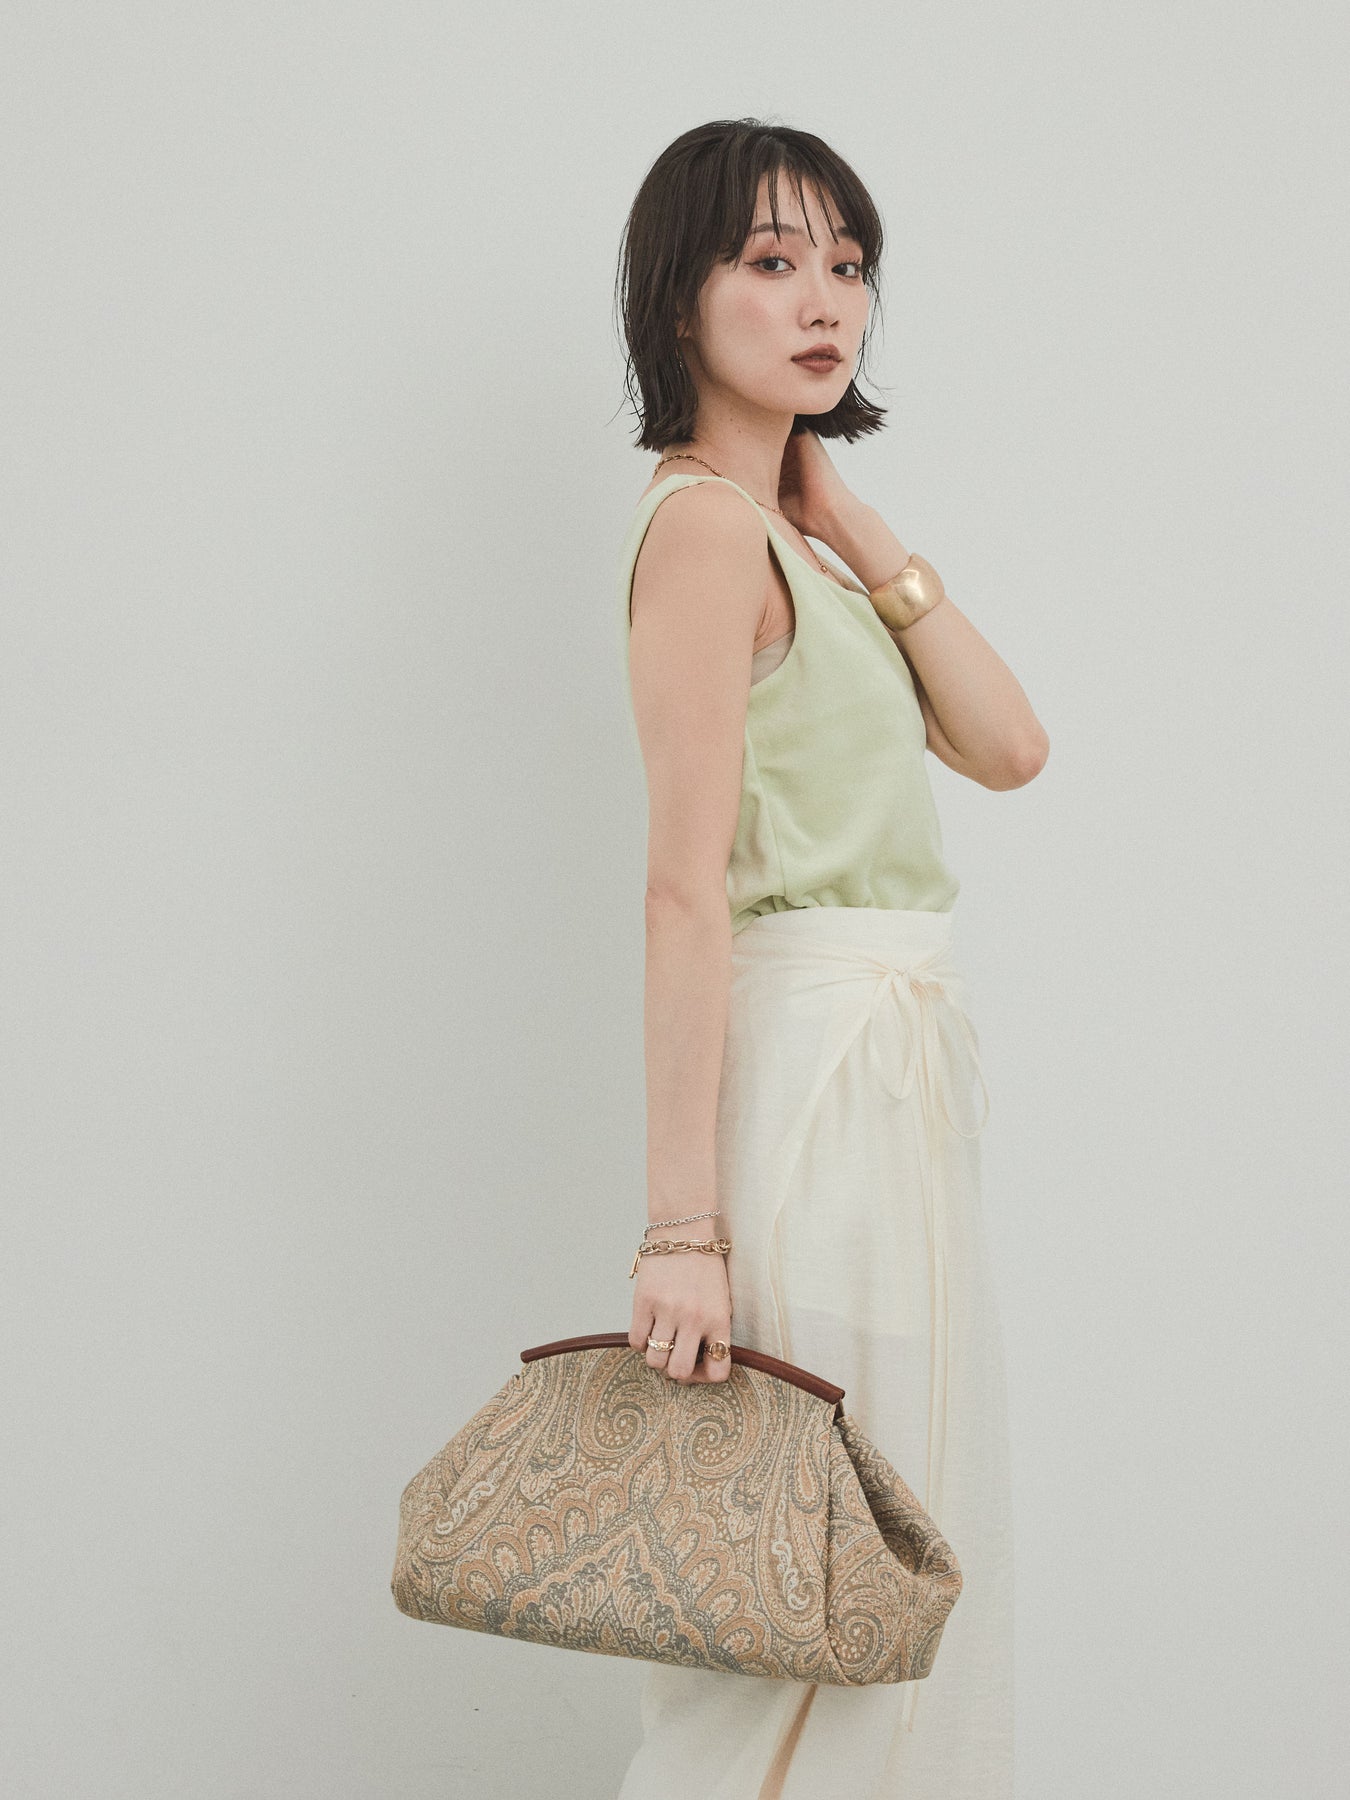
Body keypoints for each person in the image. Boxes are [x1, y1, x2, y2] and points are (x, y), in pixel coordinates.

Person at [612, 118, 1048, 1800]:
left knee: (890, 1552)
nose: (823, 303)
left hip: (890, 1074)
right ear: (679, 297)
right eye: (770, 261)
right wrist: (680, 1230)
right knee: (807, 1577)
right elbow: (681, 892)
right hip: (812, 1077)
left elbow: (1007, 747)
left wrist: (852, 520)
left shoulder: (786, 535)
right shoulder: (701, 532)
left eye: (847, 266)